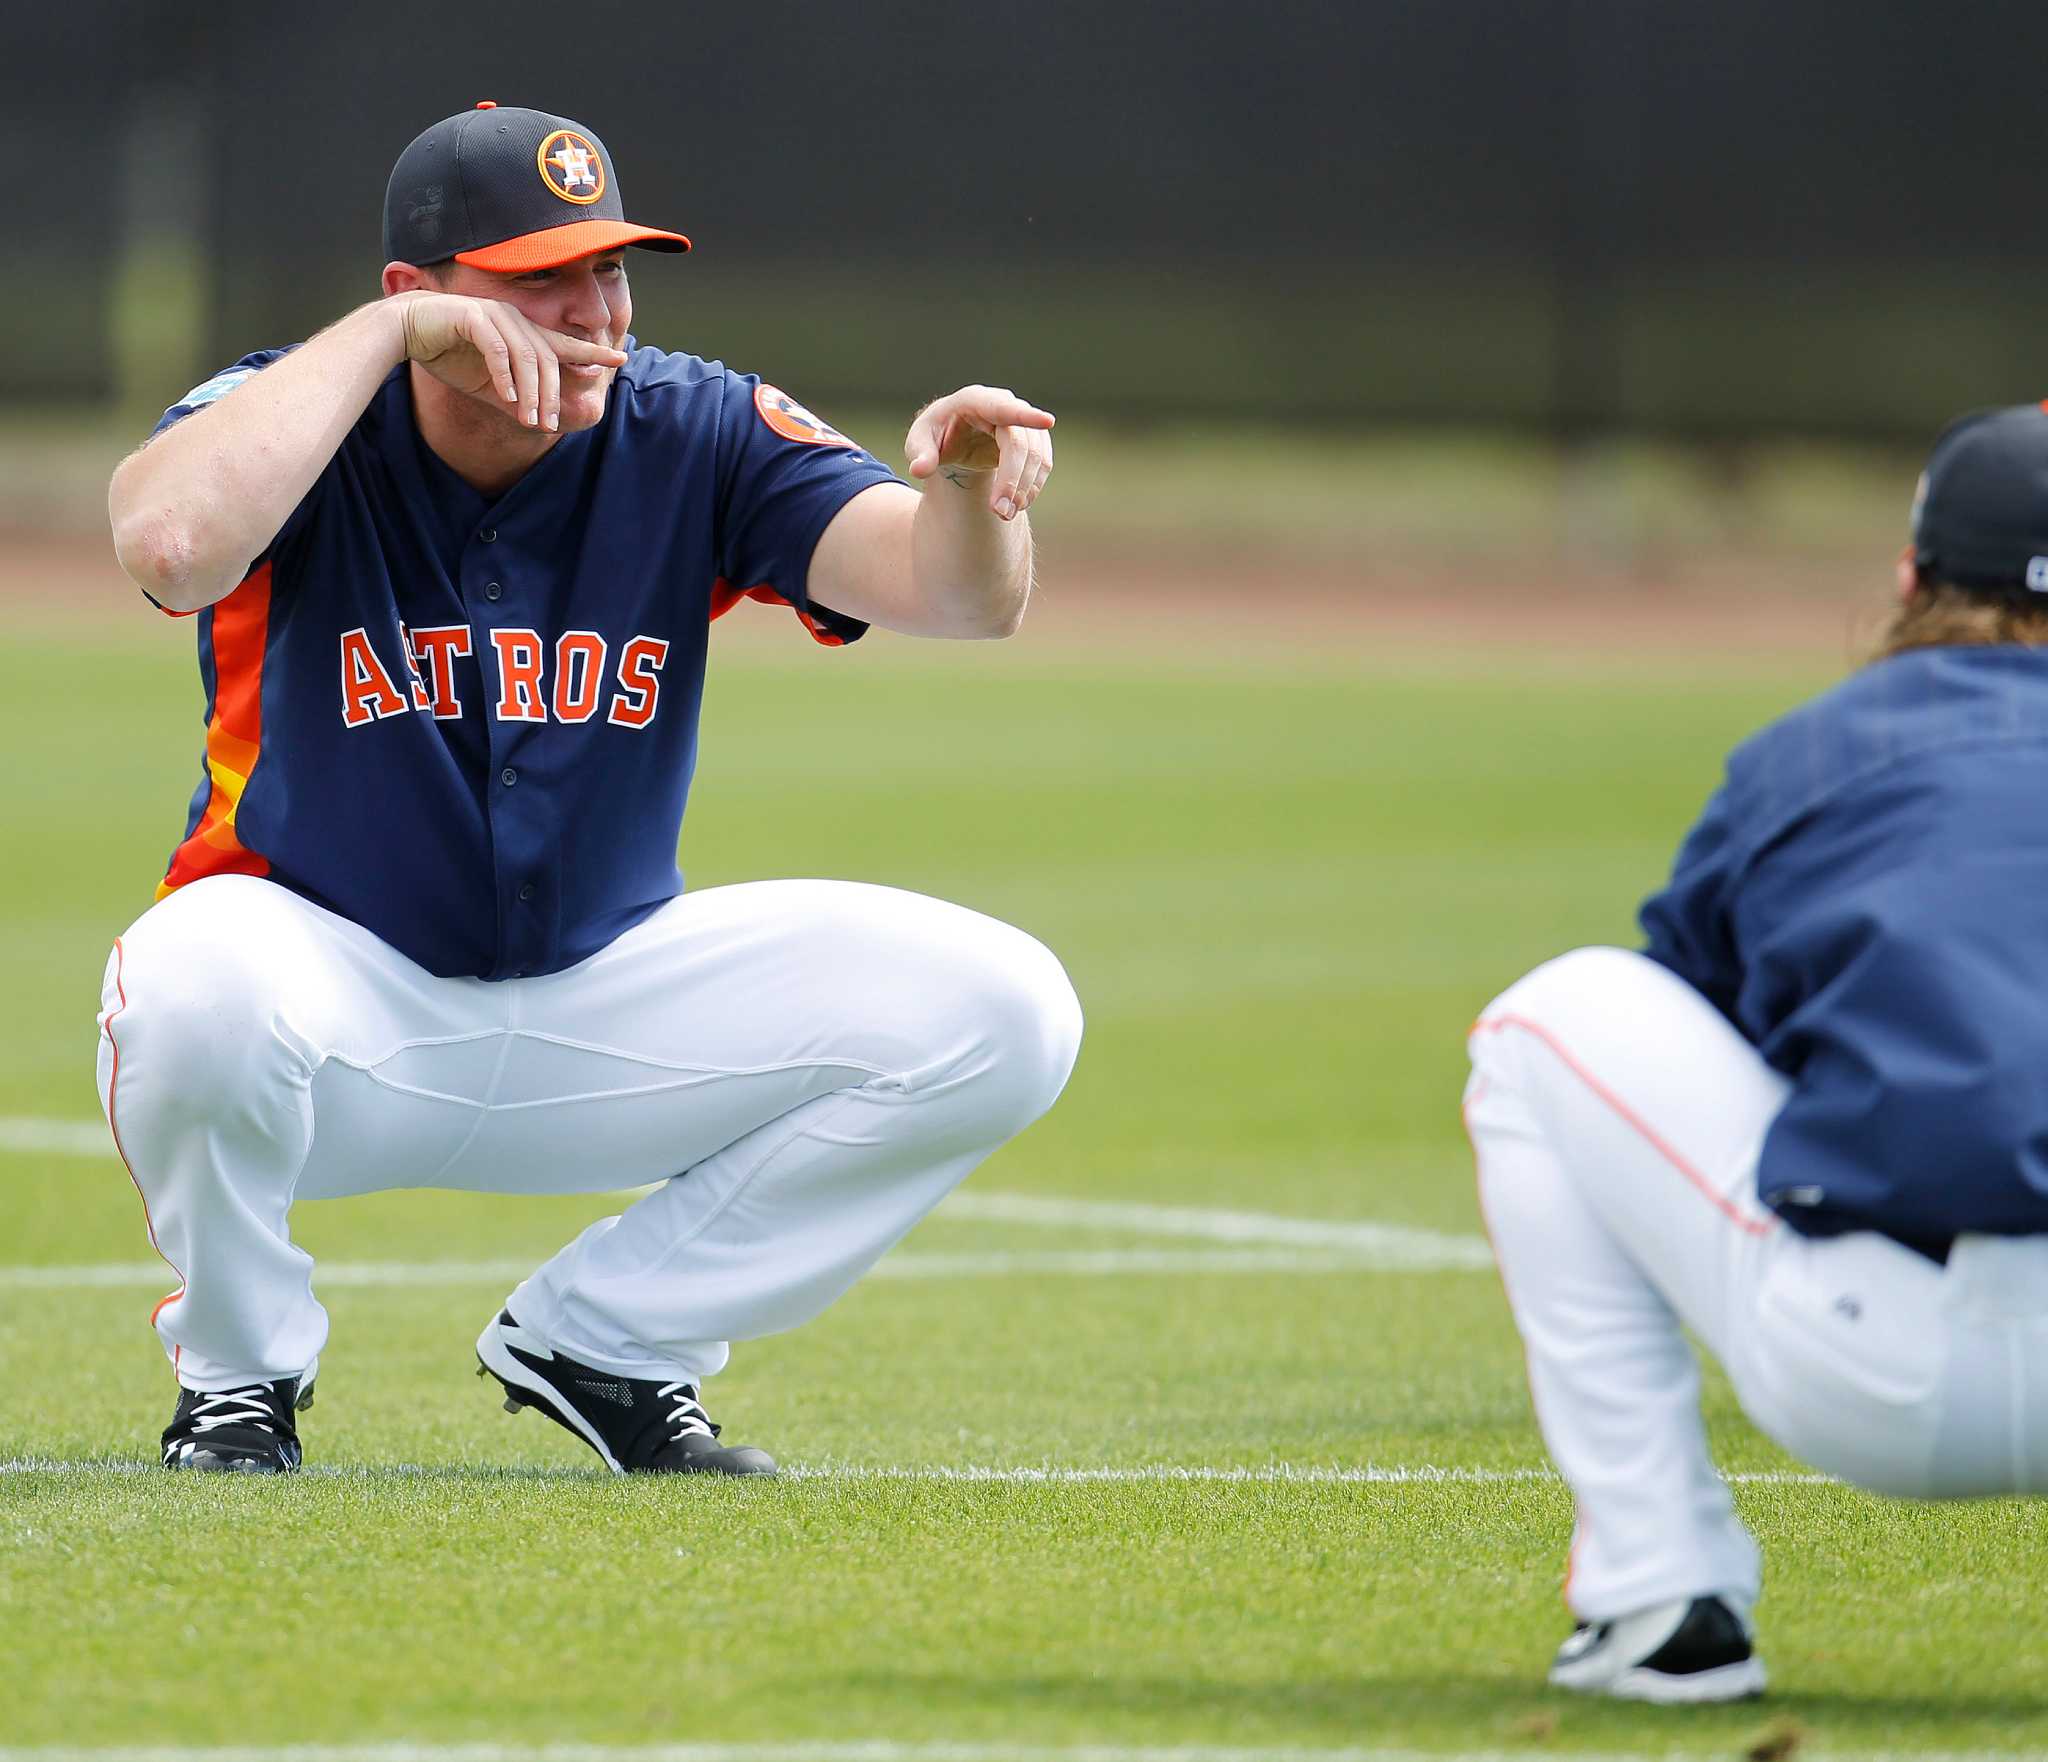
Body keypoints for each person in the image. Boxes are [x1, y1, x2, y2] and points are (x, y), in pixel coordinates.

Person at [99, 102, 1082, 1478]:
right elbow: (170, 542)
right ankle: (239, 1379)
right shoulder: (301, 414)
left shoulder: (691, 425)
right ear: (418, 294)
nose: (594, 315)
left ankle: (610, 1341)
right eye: (541, 280)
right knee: (184, 984)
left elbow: (956, 597)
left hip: (603, 999)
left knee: (1008, 1010)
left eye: (610, 270)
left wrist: (974, 497)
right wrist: (381, 346)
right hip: (331, 1000)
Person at [1464, 404, 2048, 1701]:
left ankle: (1659, 1599)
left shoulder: (1816, 751)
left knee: (1546, 1020)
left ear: (1912, 576)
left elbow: (1698, 1011)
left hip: (1881, 1365)